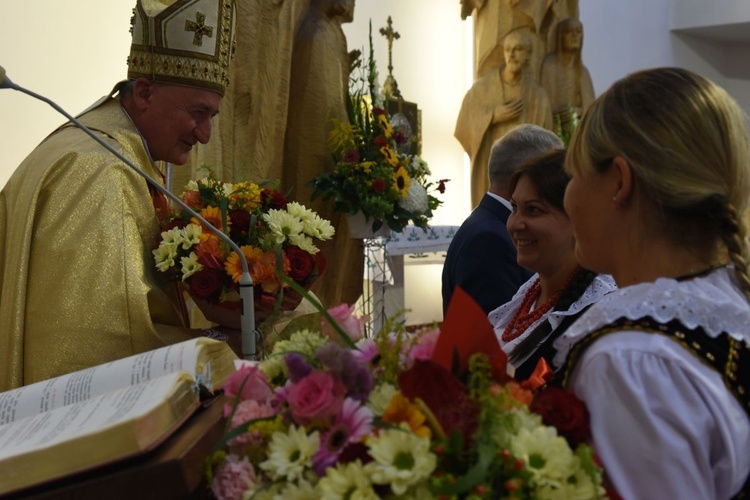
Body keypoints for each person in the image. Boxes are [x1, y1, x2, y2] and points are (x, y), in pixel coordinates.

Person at [0, 0, 237, 390]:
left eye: (211, 116)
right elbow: (101, 348)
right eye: (198, 112)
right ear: (144, 92)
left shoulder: (101, 146)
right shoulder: (101, 171)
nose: (204, 133)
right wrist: (228, 347)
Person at [555, 67, 750, 498]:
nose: (566, 197)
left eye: (572, 175)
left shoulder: (631, 361)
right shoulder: (727, 313)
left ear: (619, 182)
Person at [488, 149, 615, 380]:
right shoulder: (529, 293)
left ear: (578, 219)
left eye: (533, 210)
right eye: (514, 207)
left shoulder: (597, 313)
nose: (515, 224)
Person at [282, 0, 364, 308]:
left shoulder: (330, 32)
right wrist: (345, 152)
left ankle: (324, 311)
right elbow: (323, 109)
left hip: (329, 156)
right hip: (315, 158)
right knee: (309, 236)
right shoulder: (318, 34)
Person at [442, 124, 560, 317]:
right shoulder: (488, 239)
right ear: (522, 177)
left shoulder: (489, 224)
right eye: (555, 173)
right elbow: (498, 333)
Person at [455, 28, 554, 208]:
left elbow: (549, 145)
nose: (512, 54)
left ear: (529, 55)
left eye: (519, 49)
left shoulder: (538, 96)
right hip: (493, 168)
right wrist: (492, 116)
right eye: (508, 49)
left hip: (527, 173)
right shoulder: (482, 88)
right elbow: (463, 125)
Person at [540, 17, 595, 133]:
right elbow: (545, 103)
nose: (574, 36)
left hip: (576, 130)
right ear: (560, 37)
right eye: (569, 32)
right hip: (552, 129)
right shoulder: (549, 65)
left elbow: (592, 110)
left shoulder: (583, 72)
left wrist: (578, 111)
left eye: (578, 32)